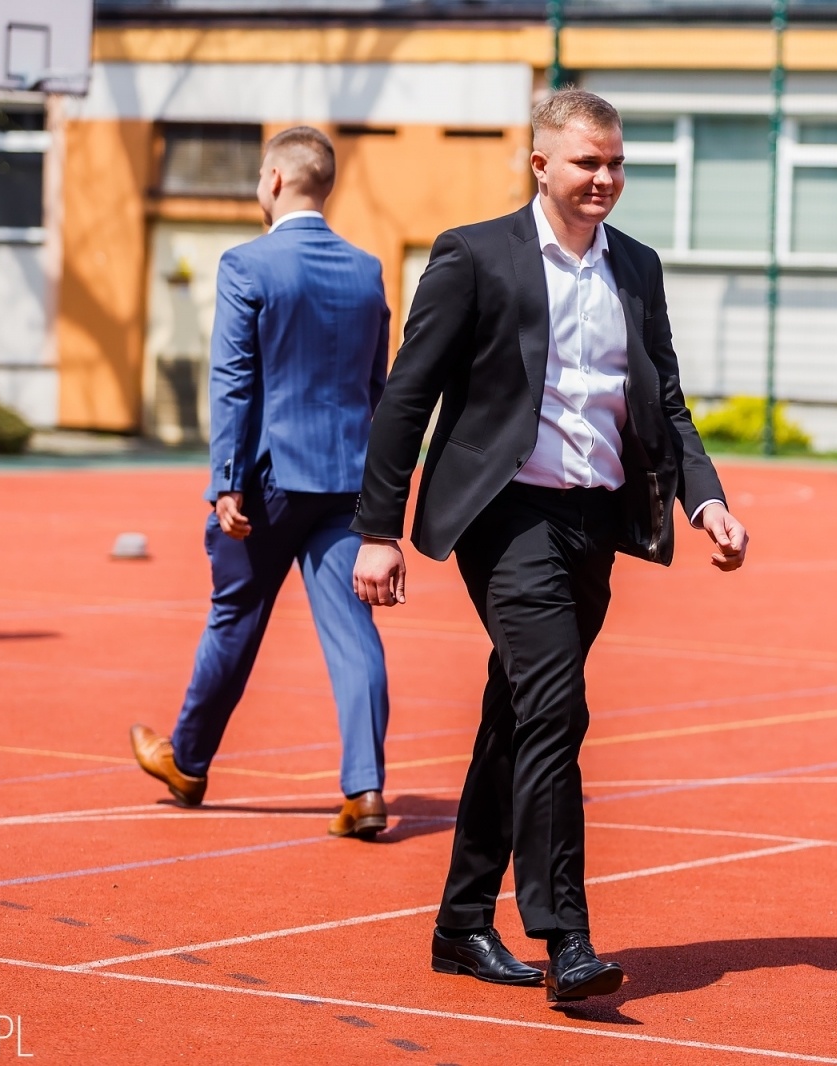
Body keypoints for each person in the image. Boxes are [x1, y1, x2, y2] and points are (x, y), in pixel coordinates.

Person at [350, 89, 749, 1002]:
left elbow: (666, 402)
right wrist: (377, 530)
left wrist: (706, 501)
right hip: (507, 516)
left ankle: (459, 925)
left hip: (595, 525)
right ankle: (566, 933)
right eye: (586, 162)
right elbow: (408, 397)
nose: (605, 177)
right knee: (558, 709)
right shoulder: (474, 257)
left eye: (615, 162)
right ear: (542, 165)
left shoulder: (637, 270)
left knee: (520, 717)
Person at [129, 127, 394, 839]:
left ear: (274, 180)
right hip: (348, 481)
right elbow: (380, 387)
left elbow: (234, 382)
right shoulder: (367, 271)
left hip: (271, 479)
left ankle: (187, 761)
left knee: (235, 615)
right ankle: (365, 790)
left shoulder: (247, 264)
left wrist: (225, 481)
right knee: (353, 632)